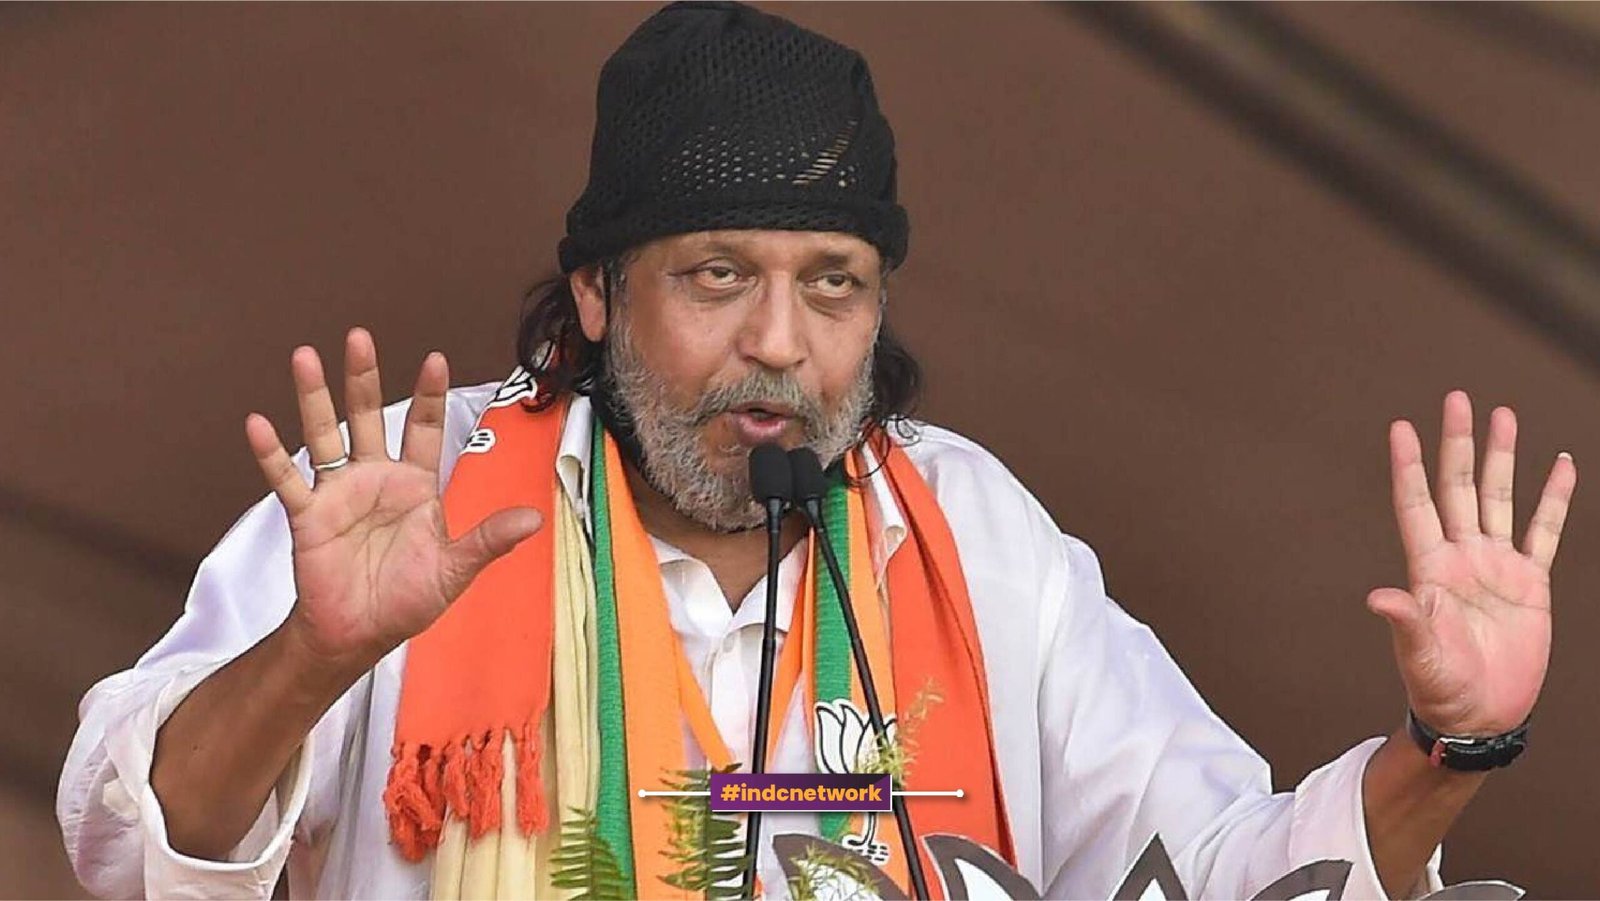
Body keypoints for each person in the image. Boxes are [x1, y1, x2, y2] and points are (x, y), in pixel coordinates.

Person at [57, 3, 1577, 899]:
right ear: (598, 293)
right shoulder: (413, 492)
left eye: (833, 283)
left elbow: (1223, 874)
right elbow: (129, 853)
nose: (781, 341)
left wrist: (1445, 751)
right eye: (718, 275)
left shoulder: (969, 534)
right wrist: (314, 660)